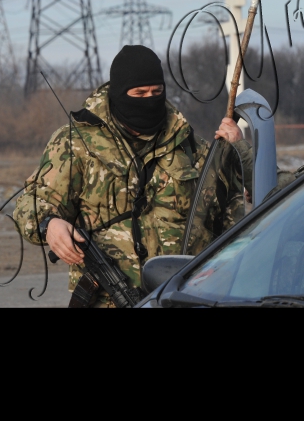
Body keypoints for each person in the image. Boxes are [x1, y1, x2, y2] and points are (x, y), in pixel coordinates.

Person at [13, 45, 243, 307]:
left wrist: (237, 153)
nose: (150, 99)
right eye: (140, 93)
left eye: (157, 92)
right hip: (107, 299)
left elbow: (236, 209)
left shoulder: (188, 145)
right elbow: (29, 204)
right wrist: (49, 225)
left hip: (180, 296)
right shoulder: (75, 143)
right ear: (120, 94)